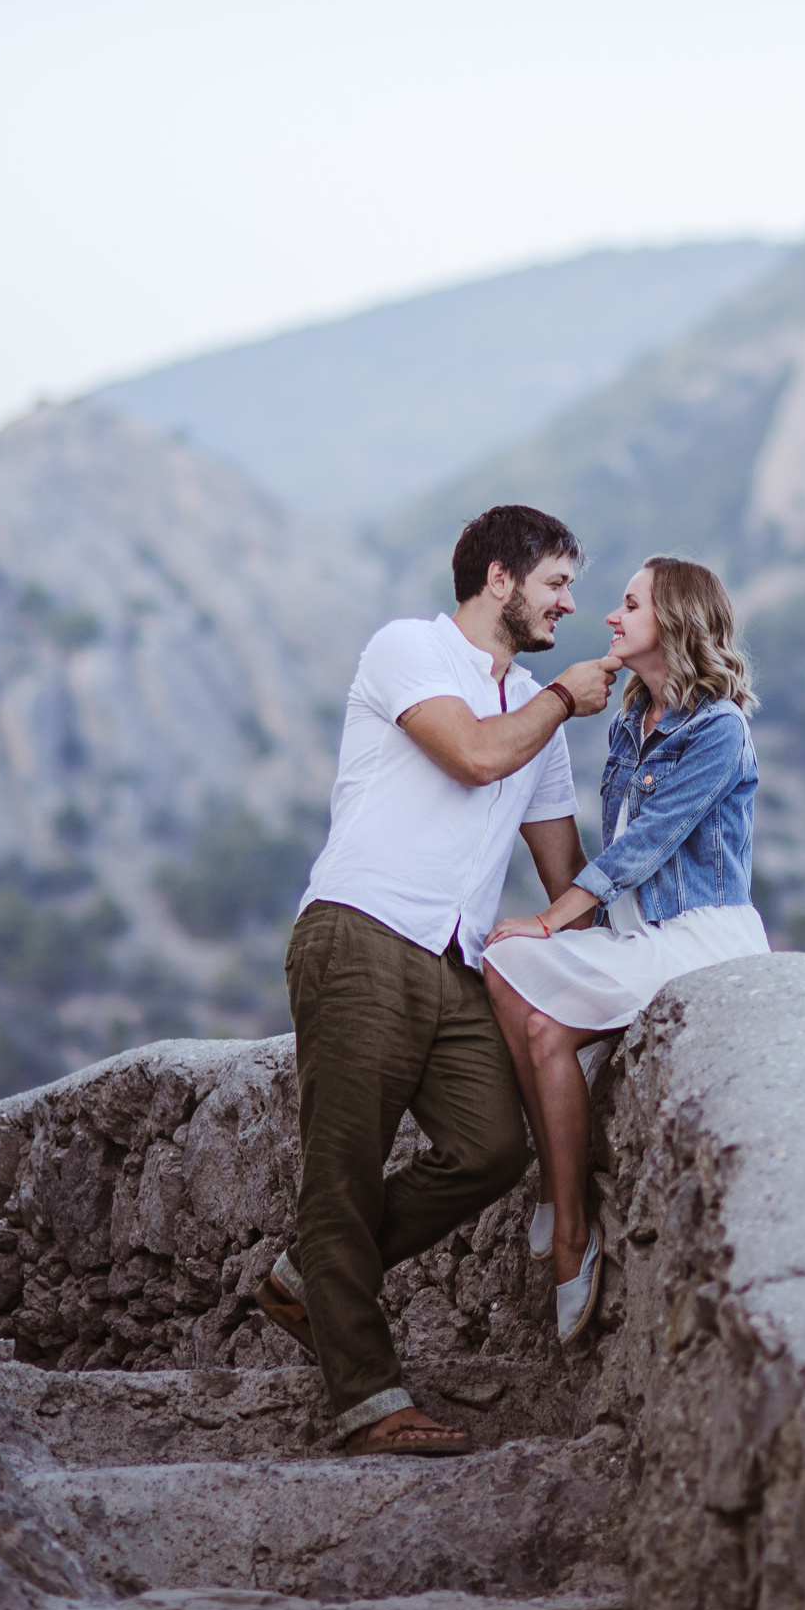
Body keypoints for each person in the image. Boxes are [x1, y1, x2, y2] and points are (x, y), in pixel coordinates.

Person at [255, 505, 621, 1457]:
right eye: (555, 584)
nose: (568, 604)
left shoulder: (535, 703)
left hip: (451, 956)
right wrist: (561, 706)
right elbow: (473, 754)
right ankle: (368, 1399)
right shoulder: (408, 649)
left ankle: (310, 1275)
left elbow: (561, 868)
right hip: (360, 934)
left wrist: (645, 945)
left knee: (494, 1146)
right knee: (339, 1175)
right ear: (499, 579)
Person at [482, 554, 767, 1343]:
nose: (611, 615)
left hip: (696, 938)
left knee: (536, 1003)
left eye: (630, 603)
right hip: (631, 937)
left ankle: (571, 1234)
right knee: (503, 971)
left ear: (672, 621)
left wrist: (550, 921)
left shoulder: (718, 730)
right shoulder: (627, 722)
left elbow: (640, 847)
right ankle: (561, 1196)